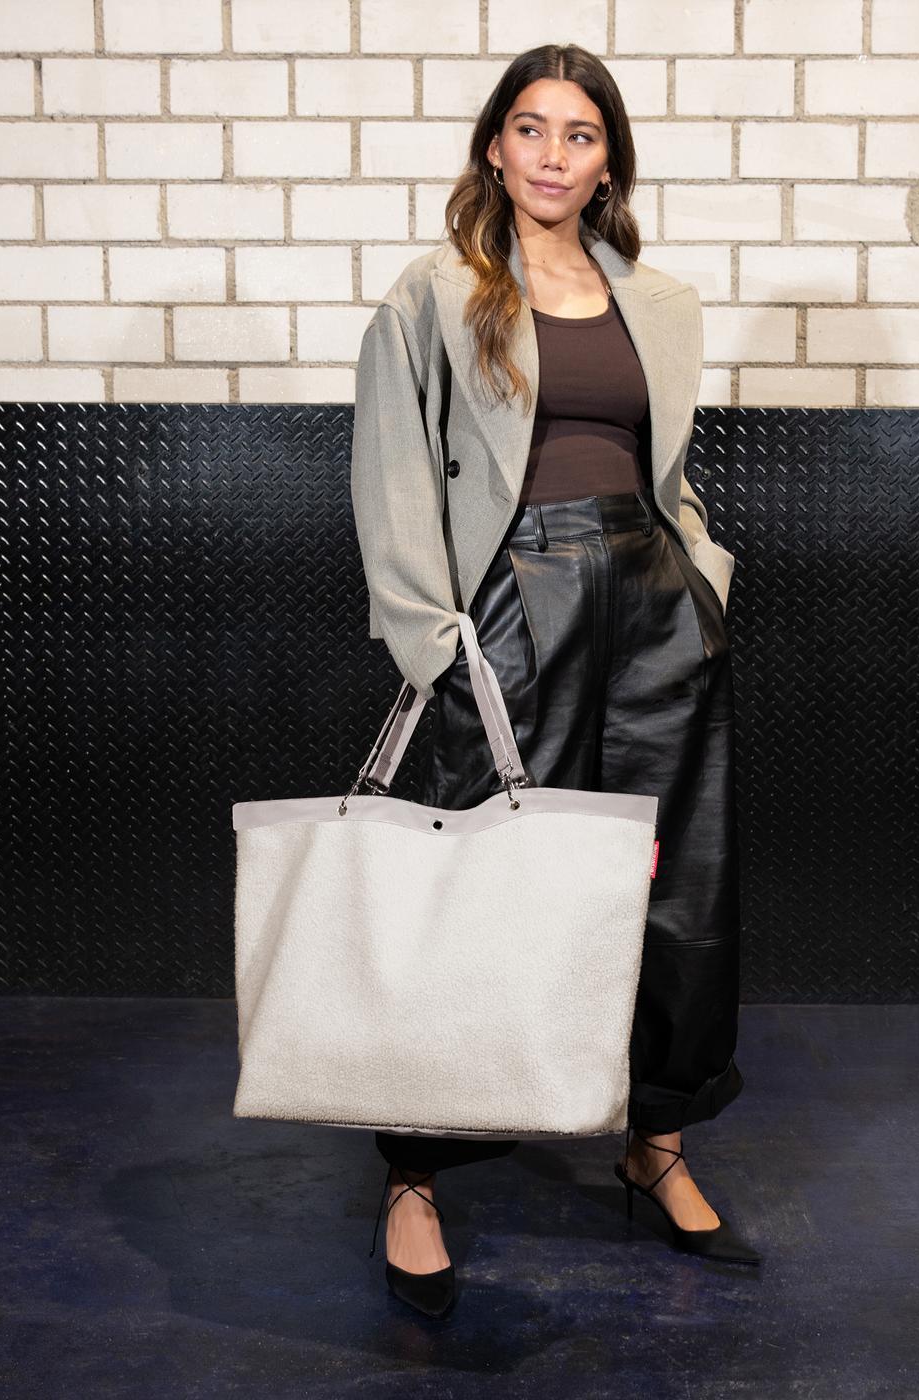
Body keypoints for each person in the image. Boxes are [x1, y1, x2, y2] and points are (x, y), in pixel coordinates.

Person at [349, 43, 758, 1320]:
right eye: (529, 128)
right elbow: (391, 473)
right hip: (509, 611)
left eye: (578, 135)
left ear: (606, 163)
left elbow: (662, 466)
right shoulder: (433, 294)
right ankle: (415, 1171)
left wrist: (700, 581)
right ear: (494, 145)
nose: (550, 154)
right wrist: (436, 641)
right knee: (479, 890)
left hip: (653, 609)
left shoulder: (659, 301)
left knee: (671, 887)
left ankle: (655, 1138)